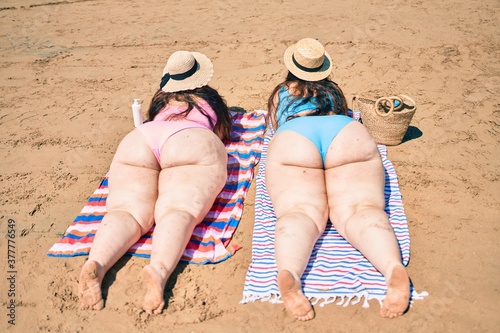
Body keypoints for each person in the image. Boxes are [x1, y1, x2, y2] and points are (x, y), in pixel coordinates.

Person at [265, 38, 410, 321]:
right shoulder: (334, 90)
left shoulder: (281, 92)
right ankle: (392, 267)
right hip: (345, 133)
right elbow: (343, 113)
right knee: (360, 209)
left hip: (295, 138)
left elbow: (274, 125)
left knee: (300, 212)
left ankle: (291, 272)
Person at [77, 50, 232, 314]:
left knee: (126, 211)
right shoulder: (210, 100)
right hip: (190, 139)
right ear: (201, 79)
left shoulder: (159, 101)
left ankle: (98, 262)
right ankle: (158, 271)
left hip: (142, 139)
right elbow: (224, 131)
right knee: (178, 210)